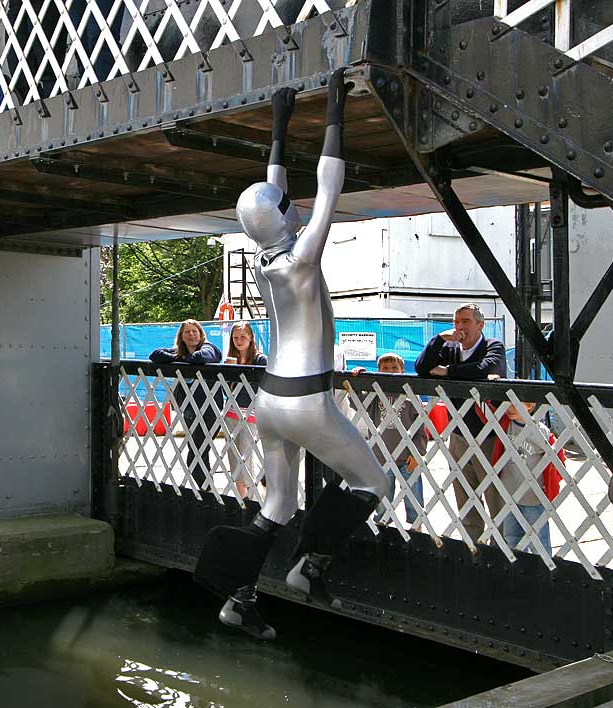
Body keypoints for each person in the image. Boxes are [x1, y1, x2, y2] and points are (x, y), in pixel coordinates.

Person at [193, 69, 389, 641]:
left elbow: (270, 194)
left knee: (277, 503)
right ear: (280, 220)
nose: (292, 205)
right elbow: (329, 189)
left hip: (268, 401)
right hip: (305, 402)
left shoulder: (262, 256)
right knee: (375, 486)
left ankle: (239, 599)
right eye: (285, 207)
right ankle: (310, 566)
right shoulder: (302, 256)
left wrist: (279, 121)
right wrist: (334, 109)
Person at [414, 303, 507, 545]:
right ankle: (473, 545)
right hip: (458, 432)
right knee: (465, 494)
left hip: (489, 433)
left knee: (495, 495)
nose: (459, 327)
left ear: (480, 324)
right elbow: (421, 367)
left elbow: (486, 368)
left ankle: (501, 548)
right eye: (456, 322)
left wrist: (448, 372)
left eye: (465, 321)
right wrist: (439, 339)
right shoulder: (451, 348)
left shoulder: (493, 346)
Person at [351, 354, 427, 529]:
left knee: (413, 496)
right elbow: (357, 403)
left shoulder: (409, 395)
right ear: (378, 371)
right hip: (381, 458)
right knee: (382, 499)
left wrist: (417, 453)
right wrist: (358, 378)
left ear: (402, 370)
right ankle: (383, 527)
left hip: (407, 458)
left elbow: (420, 427)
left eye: (394, 368)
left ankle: (417, 528)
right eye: (385, 368)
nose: (390, 372)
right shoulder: (375, 395)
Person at [149, 320, 222, 490]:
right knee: (198, 452)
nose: (191, 335)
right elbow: (155, 354)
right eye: (187, 332)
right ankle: (207, 491)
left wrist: (178, 360)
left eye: (194, 331)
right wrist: (178, 357)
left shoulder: (209, 347)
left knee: (196, 453)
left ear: (201, 333)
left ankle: (207, 492)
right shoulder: (179, 352)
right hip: (189, 409)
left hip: (209, 409)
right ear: (181, 336)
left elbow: (202, 358)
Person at [490, 401, 553, 555]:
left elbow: (555, 461)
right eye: (507, 404)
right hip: (510, 495)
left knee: (539, 541)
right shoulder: (505, 425)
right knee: (512, 537)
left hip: (534, 498)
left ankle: (543, 571)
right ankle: (518, 569)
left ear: (530, 406)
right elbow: (484, 410)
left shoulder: (540, 431)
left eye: (515, 405)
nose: (510, 409)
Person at [222, 322, 267, 499]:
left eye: (243, 337)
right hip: (231, 410)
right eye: (235, 338)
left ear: (250, 338)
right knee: (233, 456)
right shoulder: (230, 359)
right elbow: (227, 388)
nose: (239, 341)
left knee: (246, 454)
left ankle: (253, 498)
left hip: (251, 412)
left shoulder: (260, 359)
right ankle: (242, 497)